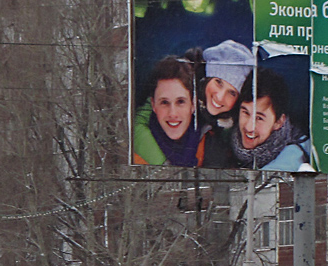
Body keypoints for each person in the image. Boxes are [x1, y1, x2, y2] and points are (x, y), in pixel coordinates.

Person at [185, 39, 253, 168]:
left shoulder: (235, 132)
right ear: (207, 78)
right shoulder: (182, 93)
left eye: (232, 93)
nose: (220, 97)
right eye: (218, 82)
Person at [229, 69, 311, 171]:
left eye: (259, 118)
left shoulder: (292, 162)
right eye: (246, 113)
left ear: (279, 122)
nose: (249, 127)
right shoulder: (225, 137)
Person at [133, 56, 205, 167]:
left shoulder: (209, 144)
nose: (172, 113)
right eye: (164, 102)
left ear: (193, 105)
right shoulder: (135, 156)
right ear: (153, 105)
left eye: (180, 102)